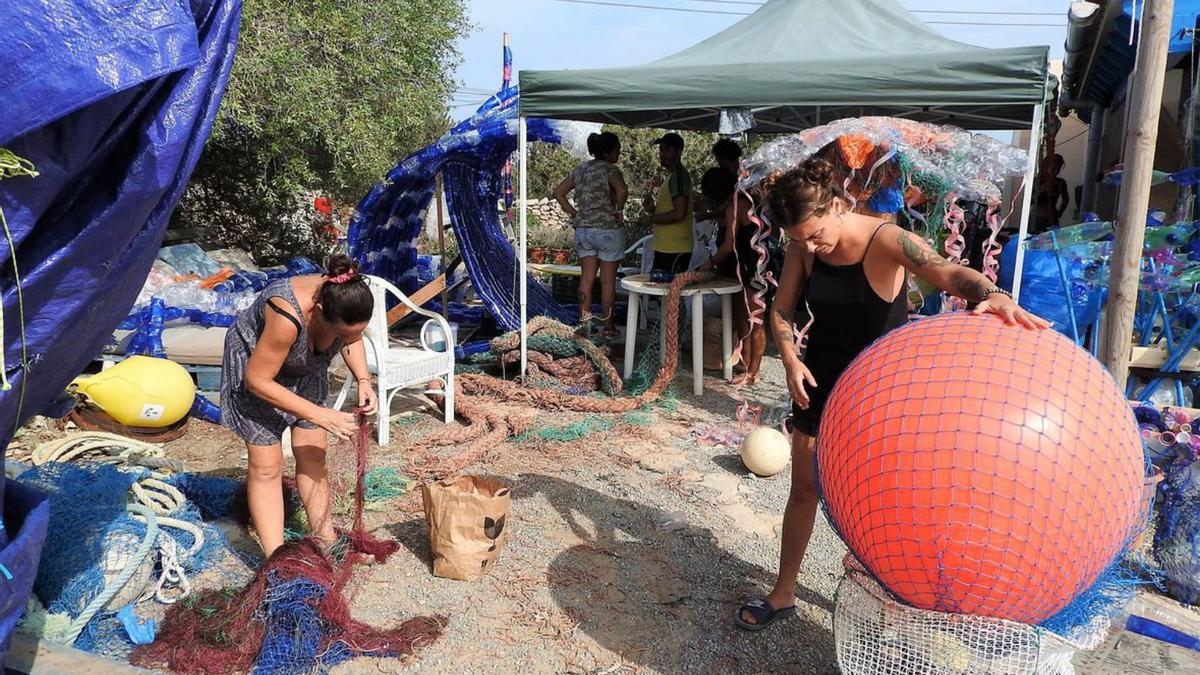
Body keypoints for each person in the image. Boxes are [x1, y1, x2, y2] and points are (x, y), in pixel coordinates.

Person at [734, 156, 1049, 631]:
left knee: (885, 502)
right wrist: (791, 359)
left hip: (882, 390)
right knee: (804, 491)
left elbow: (946, 272)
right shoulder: (804, 247)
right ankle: (783, 592)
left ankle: (893, 607)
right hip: (820, 380)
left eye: (817, 234)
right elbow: (781, 311)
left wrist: (991, 292)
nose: (812, 246)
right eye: (801, 240)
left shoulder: (887, 239)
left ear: (839, 205)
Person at [221, 254, 378, 557]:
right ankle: (276, 557)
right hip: (259, 369)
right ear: (318, 312)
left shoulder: (342, 300)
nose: (351, 339)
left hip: (307, 366)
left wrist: (363, 380)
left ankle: (327, 540)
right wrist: (322, 415)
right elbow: (257, 380)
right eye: (344, 334)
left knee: (313, 454)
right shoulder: (286, 314)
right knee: (267, 466)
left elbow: (352, 336)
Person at [697, 167, 773, 384]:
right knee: (743, 318)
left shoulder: (735, 204)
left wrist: (709, 263)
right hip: (749, 264)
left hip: (753, 265)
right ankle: (745, 363)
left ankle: (753, 371)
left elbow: (729, 244)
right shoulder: (749, 198)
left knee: (755, 319)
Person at [553, 131, 628, 338]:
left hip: (584, 231)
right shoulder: (611, 169)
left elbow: (558, 192)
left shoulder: (580, 169)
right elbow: (622, 191)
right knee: (607, 281)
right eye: (617, 150)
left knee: (586, 279)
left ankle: (584, 324)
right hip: (607, 230)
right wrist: (618, 210)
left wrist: (574, 213)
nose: (619, 154)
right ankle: (609, 327)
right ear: (607, 152)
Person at [638, 132, 694, 274]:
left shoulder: (679, 176)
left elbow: (679, 213)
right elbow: (671, 211)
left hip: (675, 248)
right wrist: (652, 209)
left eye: (667, 150)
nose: (662, 154)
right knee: (664, 293)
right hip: (667, 247)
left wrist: (650, 219)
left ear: (679, 152)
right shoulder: (672, 176)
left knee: (670, 292)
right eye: (661, 150)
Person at [1034, 154, 1070, 233]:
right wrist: (1041, 190)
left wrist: (1059, 212)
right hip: (1036, 217)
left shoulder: (1060, 182)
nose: (1056, 171)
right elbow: (1029, 200)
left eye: (1059, 168)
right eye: (1053, 168)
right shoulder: (1036, 180)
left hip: (1052, 217)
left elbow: (1066, 200)